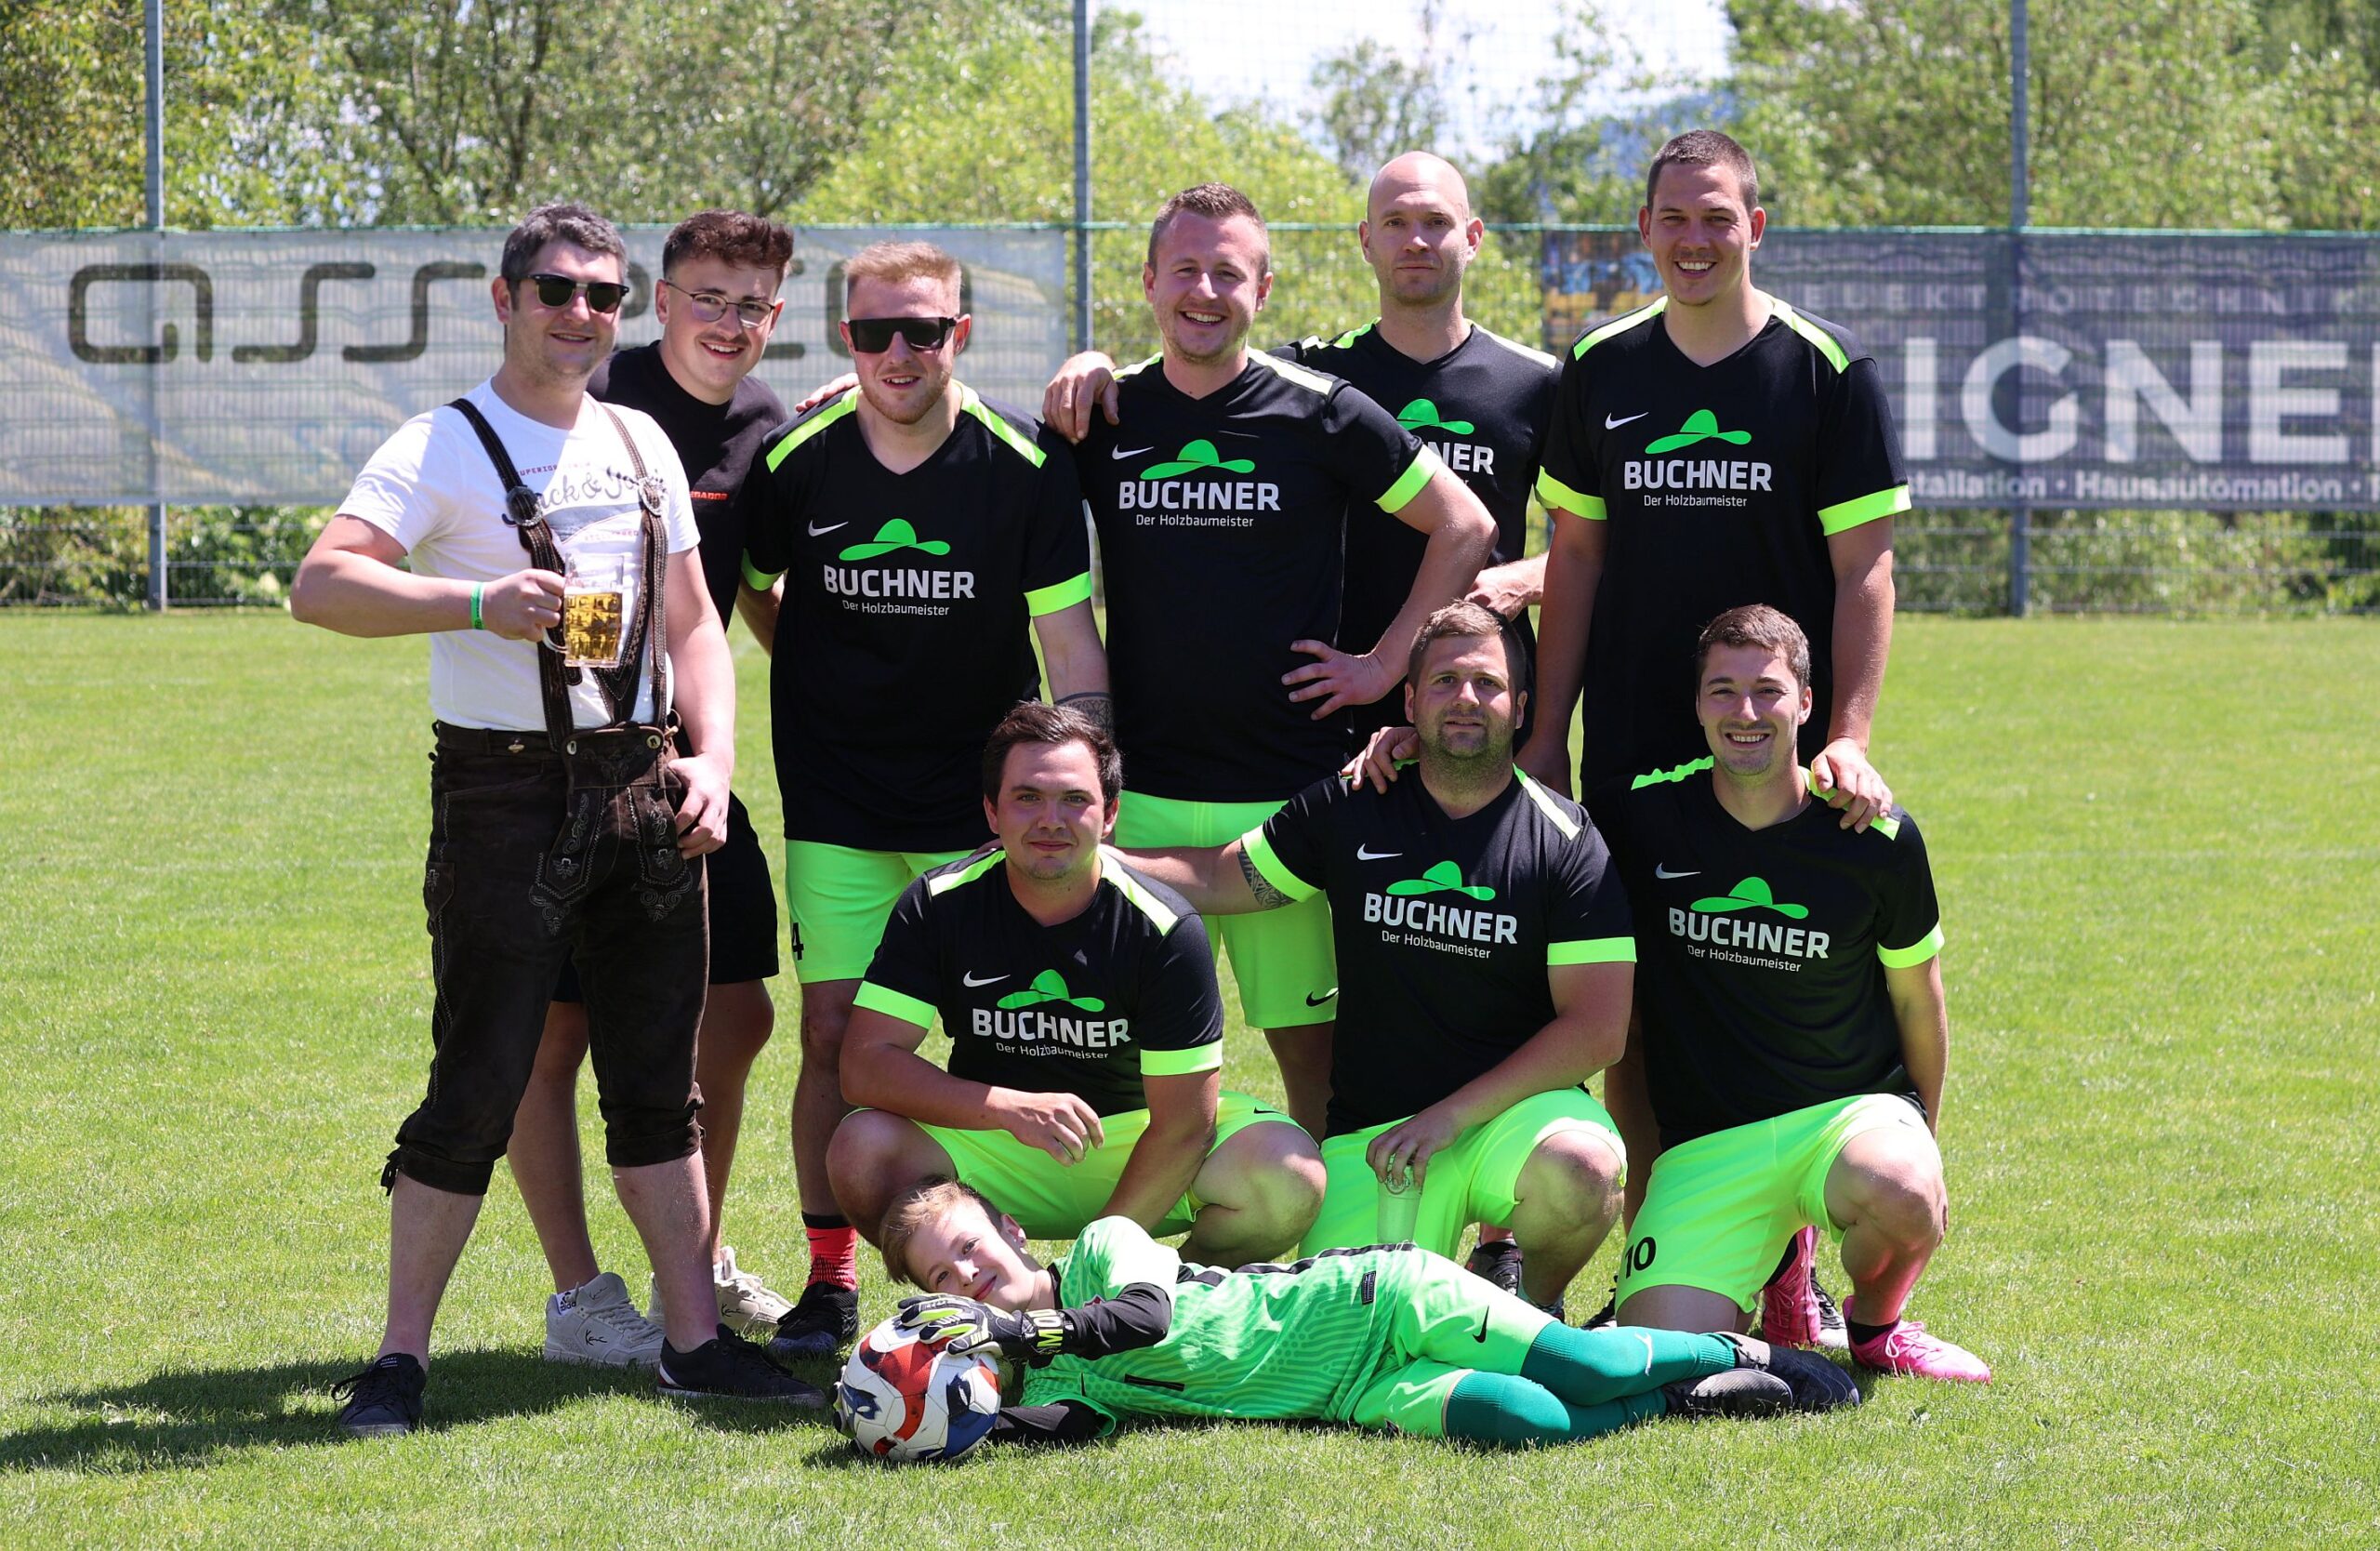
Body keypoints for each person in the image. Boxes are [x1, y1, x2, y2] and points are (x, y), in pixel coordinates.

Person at [292, 201, 818, 1437]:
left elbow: (694, 625)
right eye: (557, 290)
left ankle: (693, 1341)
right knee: (479, 1078)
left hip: (647, 786)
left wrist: (713, 758)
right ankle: (399, 1360)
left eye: (603, 295)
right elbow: (322, 585)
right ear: (506, 298)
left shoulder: (639, 439)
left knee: (660, 1086)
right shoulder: (443, 442)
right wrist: (475, 604)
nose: (581, 313)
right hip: (504, 792)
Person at [1518, 128, 1911, 1335]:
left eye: (1717, 218)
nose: (1695, 240)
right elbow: (1574, 557)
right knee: (1635, 1002)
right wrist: (1546, 734)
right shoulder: (1599, 368)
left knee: (1775, 980)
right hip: (1636, 743)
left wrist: (1847, 732)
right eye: (1675, 219)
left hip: (1769, 745)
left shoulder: (1824, 370)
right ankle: (1659, 1234)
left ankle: (1792, 1258)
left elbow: (1864, 568)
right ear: (1645, 230)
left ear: (1755, 228)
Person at [1065, 181, 1497, 1141]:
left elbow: (1464, 525)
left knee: (1316, 1056)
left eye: (1228, 273)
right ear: (1148, 281)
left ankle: (1335, 1225)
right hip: (1140, 789)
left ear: (1262, 289)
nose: (1204, 292)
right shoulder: (1105, 414)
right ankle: (1118, 1229)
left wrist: (1384, 666)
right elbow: (970, 443)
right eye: (1185, 269)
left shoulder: (1320, 410)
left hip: (1288, 795)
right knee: (1111, 1050)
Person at [740, 240, 1107, 1356]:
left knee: (1014, 1032)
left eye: (923, 330)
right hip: (839, 803)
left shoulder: (1025, 463)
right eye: (873, 332)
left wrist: (1092, 782)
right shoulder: (793, 460)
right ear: (843, 337)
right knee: (831, 1036)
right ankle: (828, 1283)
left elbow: (1071, 647)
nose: (897, 352)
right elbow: (752, 592)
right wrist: (818, 674)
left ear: (962, 335)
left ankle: (1023, 1268)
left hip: (981, 809)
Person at [1121, 603, 1631, 1317]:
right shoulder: (1355, 801)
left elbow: (1598, 1031)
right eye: (1445, 681)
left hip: (1515, 1121)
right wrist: (1090, 855)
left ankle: (1534, 1309)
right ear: (1411, 702)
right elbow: (1223, 876)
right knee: (1347, 1334)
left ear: (1519, 708)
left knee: (1582, 1169)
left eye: (1487, 683)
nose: (1465, 698)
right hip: (1378, 1137)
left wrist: (1450, 1116)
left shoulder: (1566, 839)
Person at [505, 209, 800, 1367]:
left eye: (752, 305)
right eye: (706, 298)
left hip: (689, 763)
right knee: (551, 1033)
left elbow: (743, 593)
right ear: (662, 301)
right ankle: (581, 1294)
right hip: (566, 766)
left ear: (775, 315)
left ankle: (700, 1259)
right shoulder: (595, 398)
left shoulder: (769, 427)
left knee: (740, 1010)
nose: (727, 324)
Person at [1043, 152, 1559, 749]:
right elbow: (1210, 369)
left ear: (1473, 237)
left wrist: (1524, 577)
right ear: (1366, 241)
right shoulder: (1315, 376)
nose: (1415, 240)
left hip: (1467, 695)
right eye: (1395, 222)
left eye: (1436, 221)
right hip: (1334, 697)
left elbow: (1593, 542)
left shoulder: (1538, 381)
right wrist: (1095, 366)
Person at [1594, 605, 1987, 1382]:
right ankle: (1779, 1266)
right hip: (1710, 1145)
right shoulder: (1638, 818)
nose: (1745, 712)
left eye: (1768, 691)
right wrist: (1406, 744)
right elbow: (1519, 812)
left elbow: (1919, 1002)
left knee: (1903, 1189)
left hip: (1844, 1117)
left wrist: (1922, 1141)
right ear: (1697, 704)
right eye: (1723, 690)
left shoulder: (1876, 838)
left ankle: (1875, 1329)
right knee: (1665, 1361)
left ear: (1807, 702)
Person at [826, 704, 1324, 1267]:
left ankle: (1165, 1298)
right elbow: (864, 1065)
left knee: (1288, 1174)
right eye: (1027, 797)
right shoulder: (938, 903)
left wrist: (1091, 1268)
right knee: (862, 1150)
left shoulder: (1165, 926)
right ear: (991, 810)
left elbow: (1186, 1127)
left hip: (1138, 1144)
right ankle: (995, 1296)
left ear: (1110, 814)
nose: (1050, 820)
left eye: (1074, 799)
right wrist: (1009, 1107)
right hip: (996, 1144)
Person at [872, 1178, 1857, 1449]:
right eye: (941, 1276)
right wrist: (946, 1420)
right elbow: (1078, 1422)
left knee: (1584, 1367)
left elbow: (1143, 1318)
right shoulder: (1049, 1367)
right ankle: (1686, 1401)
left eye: (970, 1246)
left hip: (1380, 1301)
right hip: (1349, 1394)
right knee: (1526, 1420)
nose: (968, 1275)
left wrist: (1017, 1333)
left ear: (1008, 1229)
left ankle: (1739, 1347)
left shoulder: (1102, 1244)